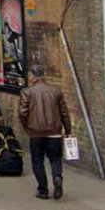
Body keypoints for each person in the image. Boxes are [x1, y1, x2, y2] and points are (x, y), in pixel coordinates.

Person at [19, 64, 72, 200]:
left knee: (37, 161)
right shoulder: (56, 91)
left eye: (29, 76)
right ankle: (57, 177)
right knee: (55, 159)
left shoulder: (27, 92)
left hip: (36, 133)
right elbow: (64, 112)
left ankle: (43, 189)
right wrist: (68, 130)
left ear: (32, 76)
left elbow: (23, 112)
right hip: (54, 132)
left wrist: (27, 127)